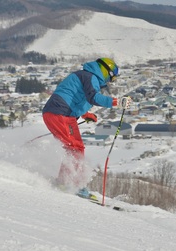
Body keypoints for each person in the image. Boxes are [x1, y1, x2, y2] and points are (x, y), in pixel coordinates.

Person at [42, 58, 132, 193]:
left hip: (59, 113)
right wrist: (116, 102)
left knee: (74, 148)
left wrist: (85, 114)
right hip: (60, 114)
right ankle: (66, 184)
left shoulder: (85, 76)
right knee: (75, 149)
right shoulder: (90, 77)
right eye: (111, 78)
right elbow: (93, 97)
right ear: (105, 71)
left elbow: (75, 97)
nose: (110, 81)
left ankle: (70, 183)